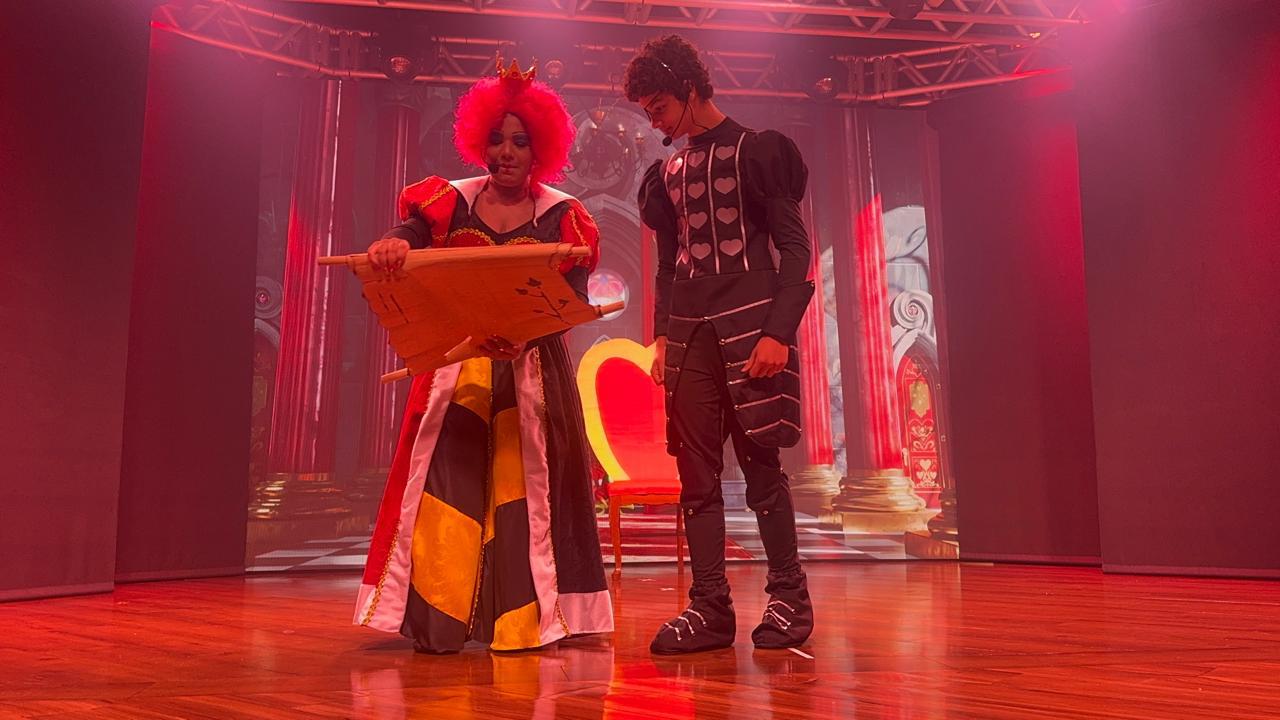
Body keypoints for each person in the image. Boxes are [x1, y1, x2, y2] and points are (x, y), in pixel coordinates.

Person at [353, 58, 614, 654]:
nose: (505, 152)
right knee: (449, 485)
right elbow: (408, 237)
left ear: (539, 149)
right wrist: (393, 244)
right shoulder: (447, 204)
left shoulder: (564, 216)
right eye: (496, 139)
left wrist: (527, 332)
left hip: (532, 373)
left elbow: (572, 301)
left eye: (520, 141)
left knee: (528, 493)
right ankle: (439, 620)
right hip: (458, 371)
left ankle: (525, 619)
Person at [624, 35, 815, 654]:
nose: (654, 121)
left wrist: (779, 332)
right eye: (648, 112)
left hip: (752, 327)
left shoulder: (758, 151)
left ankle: (789, 597)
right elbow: (667, 264)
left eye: (658, 107)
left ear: (688, 89)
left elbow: (795, 248)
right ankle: (709, 607)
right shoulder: (666, 175)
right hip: (690, 338)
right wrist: (660, 335)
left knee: (762, 469)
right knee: (696, 476)